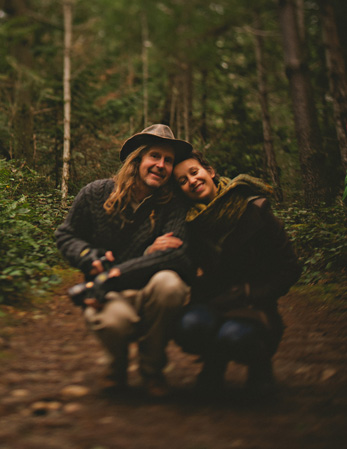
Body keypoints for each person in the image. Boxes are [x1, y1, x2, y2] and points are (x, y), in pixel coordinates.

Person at [55, 124, 194, 397]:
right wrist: (87, 256)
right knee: (114, 322)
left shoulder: (174, 204)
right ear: (137, 159)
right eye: (155, 156)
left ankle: (152, 370)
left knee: (170, 285)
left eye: (168, 160)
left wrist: (114, 273)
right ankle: (116, 367)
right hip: (108, 295)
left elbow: (176, 253)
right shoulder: (95, 193)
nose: (161, 165)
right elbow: (67, 234)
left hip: (142, 289)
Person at [149, 150, 301, 394]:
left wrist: (252, 292)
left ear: (209, 172)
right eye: (182, 181)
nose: (192, 181)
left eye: (194, 172)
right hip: (212, 302)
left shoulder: (254, 208)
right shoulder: (189, 222)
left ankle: (259, 365)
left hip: (252, 304)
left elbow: (289, 267)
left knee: (234, 337)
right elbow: (183, 266)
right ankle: (214, 363)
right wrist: (153, 248)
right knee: (188, 327)